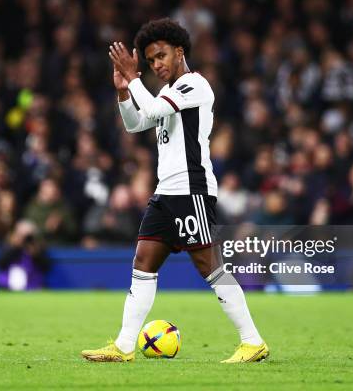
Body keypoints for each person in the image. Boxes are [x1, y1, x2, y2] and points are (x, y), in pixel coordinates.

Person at [81, 18, 268, 363]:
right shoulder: (168, 93)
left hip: (191, 189)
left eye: (160, 56)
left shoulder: (194, 86)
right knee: (143, 261)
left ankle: (252, 341)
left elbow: (149, 109)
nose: (156, 65)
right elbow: (136, 122)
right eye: (150, 61)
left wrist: (134, 78)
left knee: (208, 265)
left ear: (179, 51)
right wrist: (124, 91)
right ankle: (123, 347)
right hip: (166, 193)